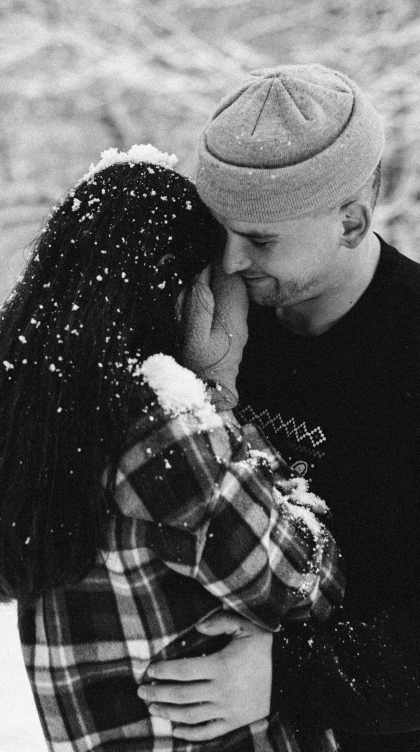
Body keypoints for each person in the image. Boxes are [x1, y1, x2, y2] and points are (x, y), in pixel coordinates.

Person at [0, 145, 343, 752]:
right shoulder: (164, 439)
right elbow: (312, 579)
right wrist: (217, 391)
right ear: (186, 294)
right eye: (222, 282)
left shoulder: (36, 430)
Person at [142, 65, 420, 752]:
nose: (230, 261)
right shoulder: (209, 323)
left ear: (351, 219)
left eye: (260, 238)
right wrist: (209, 386)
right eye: (222, 231)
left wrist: (284, 673)